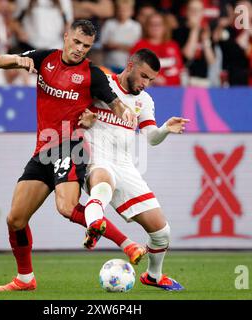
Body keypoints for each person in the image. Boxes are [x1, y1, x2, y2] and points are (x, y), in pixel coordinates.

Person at [0, 20, 144, 292]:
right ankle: (25, 279)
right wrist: (17, 60)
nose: (80, 50)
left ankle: (127, 244)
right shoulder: (44, 58)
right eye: (76, 42)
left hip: (71, 146)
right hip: (43, 151)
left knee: (65, 207)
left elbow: (115, 104)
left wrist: (127, 114)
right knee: (15, 219)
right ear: (66, 37)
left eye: (86, 46)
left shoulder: (92, 74)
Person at [83, 48, 188, 291]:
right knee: (102, 184)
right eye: (143, 76)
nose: (145, 84)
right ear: (130, 65)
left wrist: (164, 129)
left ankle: (153, 275)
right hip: (94, 158)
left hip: (125, 165)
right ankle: (95, 225)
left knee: (162, 232)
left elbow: (151, 137)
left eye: (150, 79)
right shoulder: (102, 83)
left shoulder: (144, 101)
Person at [130, 12, 184, 86]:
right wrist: (153, 80)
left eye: (158, 24)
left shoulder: (173, 45)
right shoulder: (140, 45)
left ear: (165, 27)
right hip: (147, 90)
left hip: (173, 90)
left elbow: (179, 68)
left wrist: (166, 80)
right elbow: (133, 69)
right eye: (151, 24)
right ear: (146, 27)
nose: (155, 27)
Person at [100, 0, 141, 74]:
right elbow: (104, 44)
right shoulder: (109, 24)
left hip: (128, 65)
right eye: (120, 10)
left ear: (132, 11)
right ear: (116, 11)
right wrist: (125, 46)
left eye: (126, 10)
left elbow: (136, 47)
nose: (122, 13)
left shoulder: (136, 26)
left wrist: (116, 45)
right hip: (110, 64)